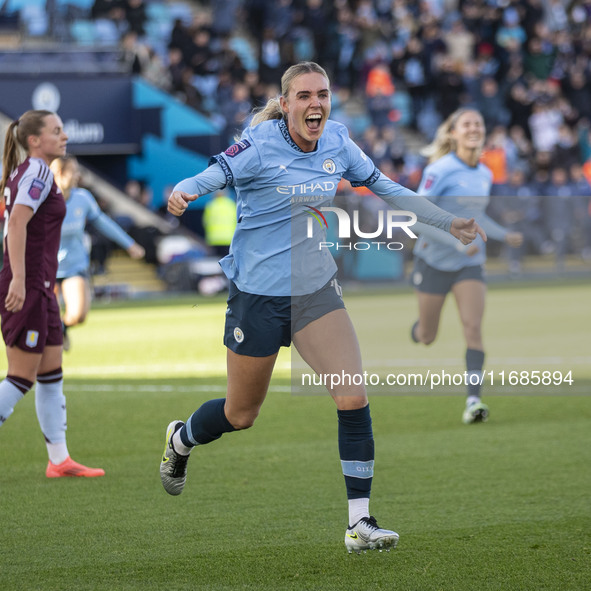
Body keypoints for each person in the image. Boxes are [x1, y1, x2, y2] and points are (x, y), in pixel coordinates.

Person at [159, 62, 484, 553]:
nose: (316, 103)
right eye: (305, 95)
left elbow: (386, 187)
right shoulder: (260, 143)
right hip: (258, 295)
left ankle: (360, 522)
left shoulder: (337, 140)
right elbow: (216, 173)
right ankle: (182, 439)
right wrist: (184, 190)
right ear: (286, 103)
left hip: (315, 288)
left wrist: (445, 220)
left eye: (323, 94)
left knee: (352, 396)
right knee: (241, 413)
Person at [0, 110, 104, 478]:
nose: (64, 136)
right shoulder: (38, 172)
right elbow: (15, 224)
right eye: (56, 131)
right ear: (34, 140)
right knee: (21, 377)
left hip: (41, 288)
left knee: (51, 374)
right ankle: (58, 459)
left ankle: (58, 460)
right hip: (28, 286)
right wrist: (17, 280)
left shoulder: (30, 171)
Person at [409, 108, 523, 424]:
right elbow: (417, 217)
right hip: (432, 260)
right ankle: (418, 329)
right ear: (453, 133)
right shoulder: (440, 169)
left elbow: (476, 217)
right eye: (467, 124)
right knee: (427, 335)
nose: (474, 128)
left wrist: (503, 233)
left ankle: (474, 401)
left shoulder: (484, 174)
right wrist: (456, 240)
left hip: (468, 265)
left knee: (473, 327)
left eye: (478, 123)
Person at [50, 156, 145, 350]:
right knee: (44, 318)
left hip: (75, 265)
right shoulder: (44, 200)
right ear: (60, 173)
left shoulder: (82, 198)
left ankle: (62, 328)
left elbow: (103, 222)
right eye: (73, 171)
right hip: (47, 268)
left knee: (79, 315)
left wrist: (129, 244)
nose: (78, 175)